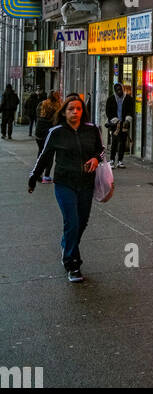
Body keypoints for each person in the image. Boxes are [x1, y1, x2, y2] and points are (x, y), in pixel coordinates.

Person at [27, 93, 104, 283]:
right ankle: (72, 264)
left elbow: (101, 150)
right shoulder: (56, 132)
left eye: (78, 109)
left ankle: (66, 245)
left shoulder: (91, 129)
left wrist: (96, 158)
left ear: (82, 111)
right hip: (64, 184)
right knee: (72, 221)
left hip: (86, 183)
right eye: (71, 109)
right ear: (64, 112)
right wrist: (33, 177)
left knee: (82, 222)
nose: (75, 112)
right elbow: (44, 156)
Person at [34, 91, 62, 180]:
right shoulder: (58, 107)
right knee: (50, 153)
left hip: (39, 130)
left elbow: (37, 115)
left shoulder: (41, 104)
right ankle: (46, 175)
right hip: (50, 131)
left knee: (41, 152)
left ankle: (38, 173)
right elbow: (59, 120)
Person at [105, 82, 134, 166]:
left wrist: (127, 120)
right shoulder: (110, 99)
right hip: (115, 124)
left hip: (124, 124)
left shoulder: (128, 98)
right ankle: (112, 160)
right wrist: (115, 120)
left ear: (123, 89)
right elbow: (108, 112)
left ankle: (120, 161)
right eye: (117, 90)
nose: (119, 92)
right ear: (115, 91)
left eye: (120, 89)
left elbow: (131, 111)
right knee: (114, 141)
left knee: (123, 142)